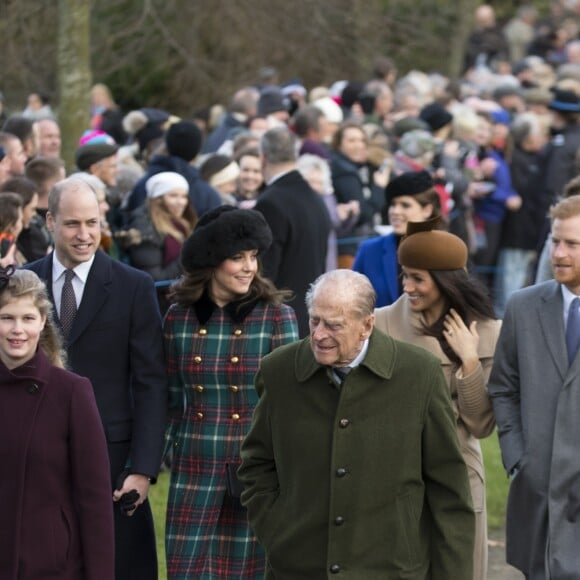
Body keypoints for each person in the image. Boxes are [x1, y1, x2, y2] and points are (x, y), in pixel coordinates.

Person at [239, 269, 475, 579]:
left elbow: (449, 492)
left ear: (367, 325)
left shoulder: (420, 375)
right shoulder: (278, 372)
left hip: (391, 570)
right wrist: (277, 530)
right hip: (298, 568)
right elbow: (256, 465)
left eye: (334, 325)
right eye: (314, 321)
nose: (319, 334)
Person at [26, 176, 167, 580]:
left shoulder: (133, 286)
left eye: (93, 222)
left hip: (113, 462)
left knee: (117, 566)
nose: (85, 234)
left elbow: (151, 382)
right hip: (38, 455)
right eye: (73, 224)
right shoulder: (24, 283)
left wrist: (143, 466)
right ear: (50, 220)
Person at [164, 206, 298, 579]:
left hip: (254, 468)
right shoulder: (178, 317)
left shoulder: (276, 316)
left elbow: (292, 404)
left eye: (253, 257)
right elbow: (170, 399)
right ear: (211, 261)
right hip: (196, 463)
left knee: (249, 570)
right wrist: (149, 463)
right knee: (187, 569)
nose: (248, 267)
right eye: (237, 257)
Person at [374, 218, 501, 580]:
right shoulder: (379, 324)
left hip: (460, 472)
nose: (407, 287)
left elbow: (480, 424)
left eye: (418, 278)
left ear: (447, 281)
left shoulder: (488, 332)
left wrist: (471, 360)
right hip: (395, 474)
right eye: (405, 275)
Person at [0, 268, 114, 579]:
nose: (17, 329)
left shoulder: (70, 392)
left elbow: (94, 499)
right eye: (7, 317)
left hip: (49, 565)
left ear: (42, 323)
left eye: (27, 318)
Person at [489, 194, 580, 579]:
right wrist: (517, 458)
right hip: (538, 495)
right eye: (554, 241)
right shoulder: (522, 306)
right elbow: (503, 387)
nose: (558, 253)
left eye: (572, 244)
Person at [254, 126, 330, 336]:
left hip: (281, 321)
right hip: (309, 314)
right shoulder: (314, 198)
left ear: (263, 158)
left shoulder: (271, 202)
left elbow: (265, 271)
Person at [353, 170, 440, 307]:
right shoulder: (369, 250)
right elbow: (353, 302)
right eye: (393, 204)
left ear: (427, 210)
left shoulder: (445, 250)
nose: (395, 211)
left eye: (405, 205)